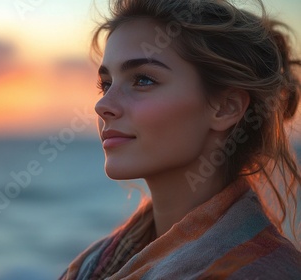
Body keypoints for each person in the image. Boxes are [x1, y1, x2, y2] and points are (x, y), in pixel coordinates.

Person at [60, 0, 301, 279]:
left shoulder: (263, 273)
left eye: (143, 80)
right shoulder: (97, 265)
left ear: (226, 107)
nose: (102, 106)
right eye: (107, 84)